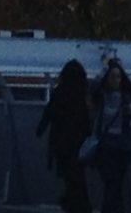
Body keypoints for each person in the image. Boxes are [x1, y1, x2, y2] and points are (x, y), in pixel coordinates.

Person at [34, 58, 94, 213]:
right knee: (78, 178)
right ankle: (79, 205)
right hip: (78, 144)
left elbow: (49, 113)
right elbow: (85, 121)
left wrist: (40, 130)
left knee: (69, 178)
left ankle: (71, 204)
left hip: (61, 144)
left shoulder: (60, 92)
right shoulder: (82, 94)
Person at [90, 59, 131, 213]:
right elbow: (92, 88)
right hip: (109, 147)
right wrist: (103, 69)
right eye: (112, 76)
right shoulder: (103, 94)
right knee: (114, 183)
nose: (116, 80)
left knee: (113, 184)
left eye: (118, 76)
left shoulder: (127, 97)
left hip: (118, 148)